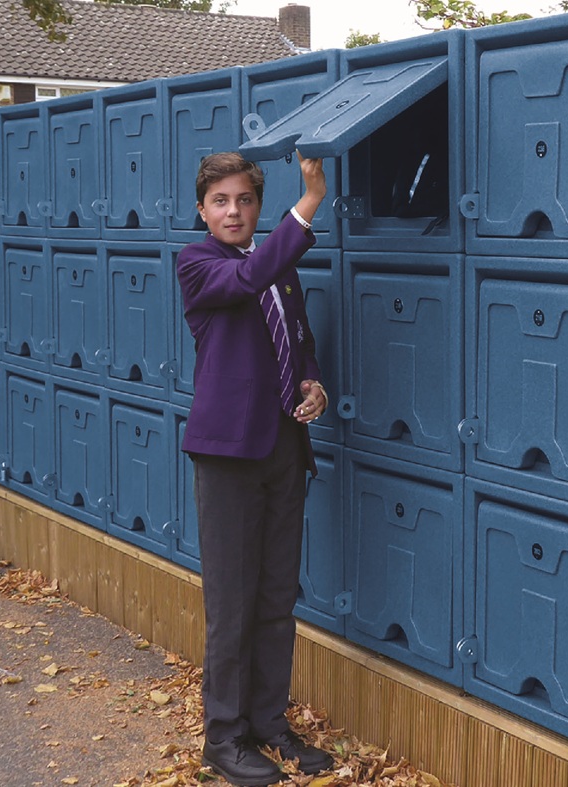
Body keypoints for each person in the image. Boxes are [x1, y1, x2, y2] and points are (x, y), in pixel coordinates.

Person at [176, 150, 333, 786]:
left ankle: (269, 725)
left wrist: (313, 381)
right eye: (221, 201)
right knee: (233, 603)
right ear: (202, 210)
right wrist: (310, 202)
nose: (233, 211)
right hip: (228, 457)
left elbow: (296, 336)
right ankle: (225, 738)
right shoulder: (199, 264)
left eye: (244, 200)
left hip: (282, 450)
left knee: (275, 597)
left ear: (256, 206)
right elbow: (247, 284)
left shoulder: (278, 268)